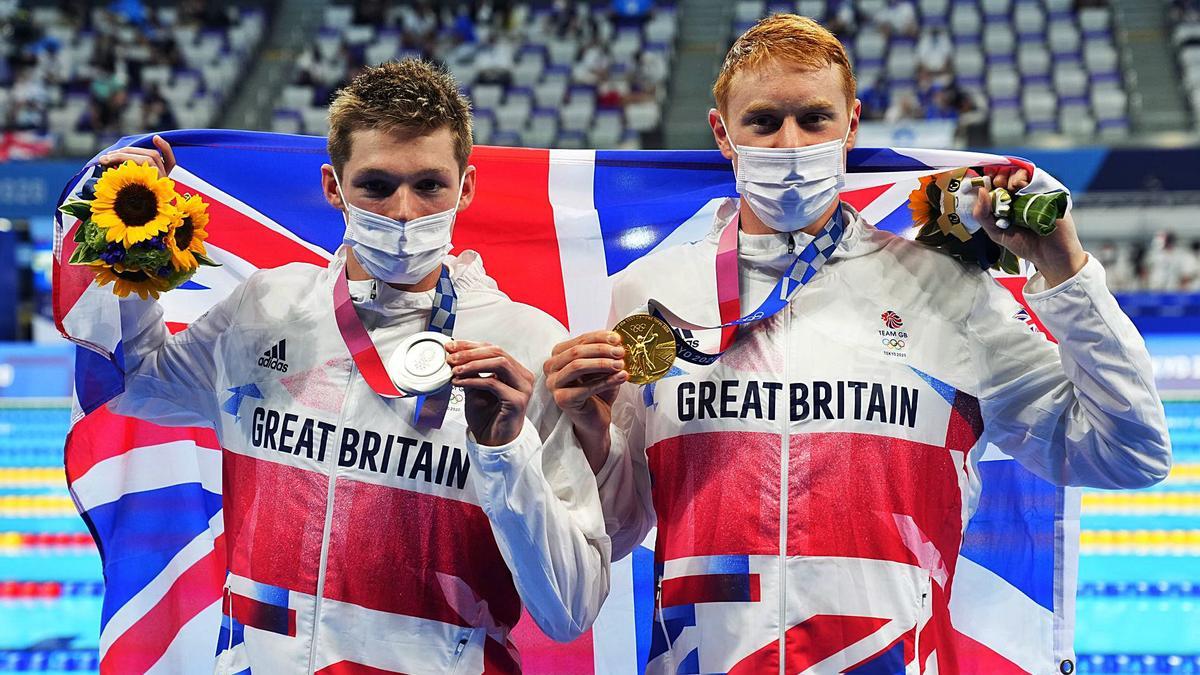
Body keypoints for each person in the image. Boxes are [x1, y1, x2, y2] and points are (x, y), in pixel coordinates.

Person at [543, 14, 1171, 672]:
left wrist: (1068, 272)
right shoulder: (652, 294)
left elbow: (1131, 453)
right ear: (722, 134)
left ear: (852, 126)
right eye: (763, 121)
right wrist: (588, 436)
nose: (790, 143)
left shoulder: (943, 290)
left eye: (814, 119)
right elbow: (614, 531)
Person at [98, 59, 609, 673]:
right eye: (375, 185)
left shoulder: (524, 343)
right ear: (332, 186)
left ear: (466, 187)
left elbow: (571, 609)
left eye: (429, 185)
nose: (402, 212)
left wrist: (504, 451)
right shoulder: (267, 307)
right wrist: (126, 242)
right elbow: (133, 380)